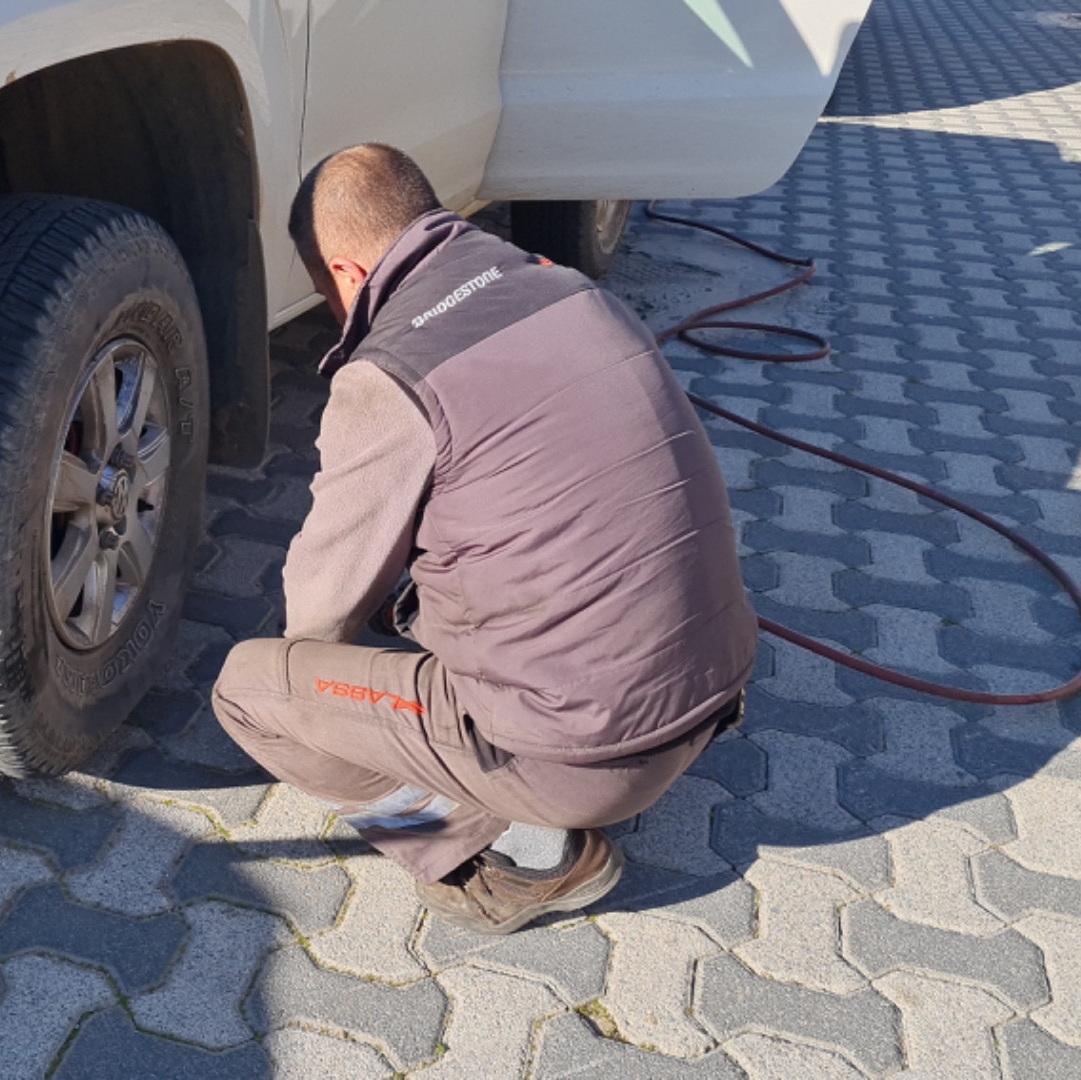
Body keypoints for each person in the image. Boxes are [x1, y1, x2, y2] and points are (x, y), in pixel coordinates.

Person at [210, 144, 757, 934]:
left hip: (588, 760)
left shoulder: (389, 374)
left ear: (348, 273)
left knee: (251, 692)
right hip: (711, 693)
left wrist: (318, 703)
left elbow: (319, 617)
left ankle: (502, 854)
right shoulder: (567, 289)